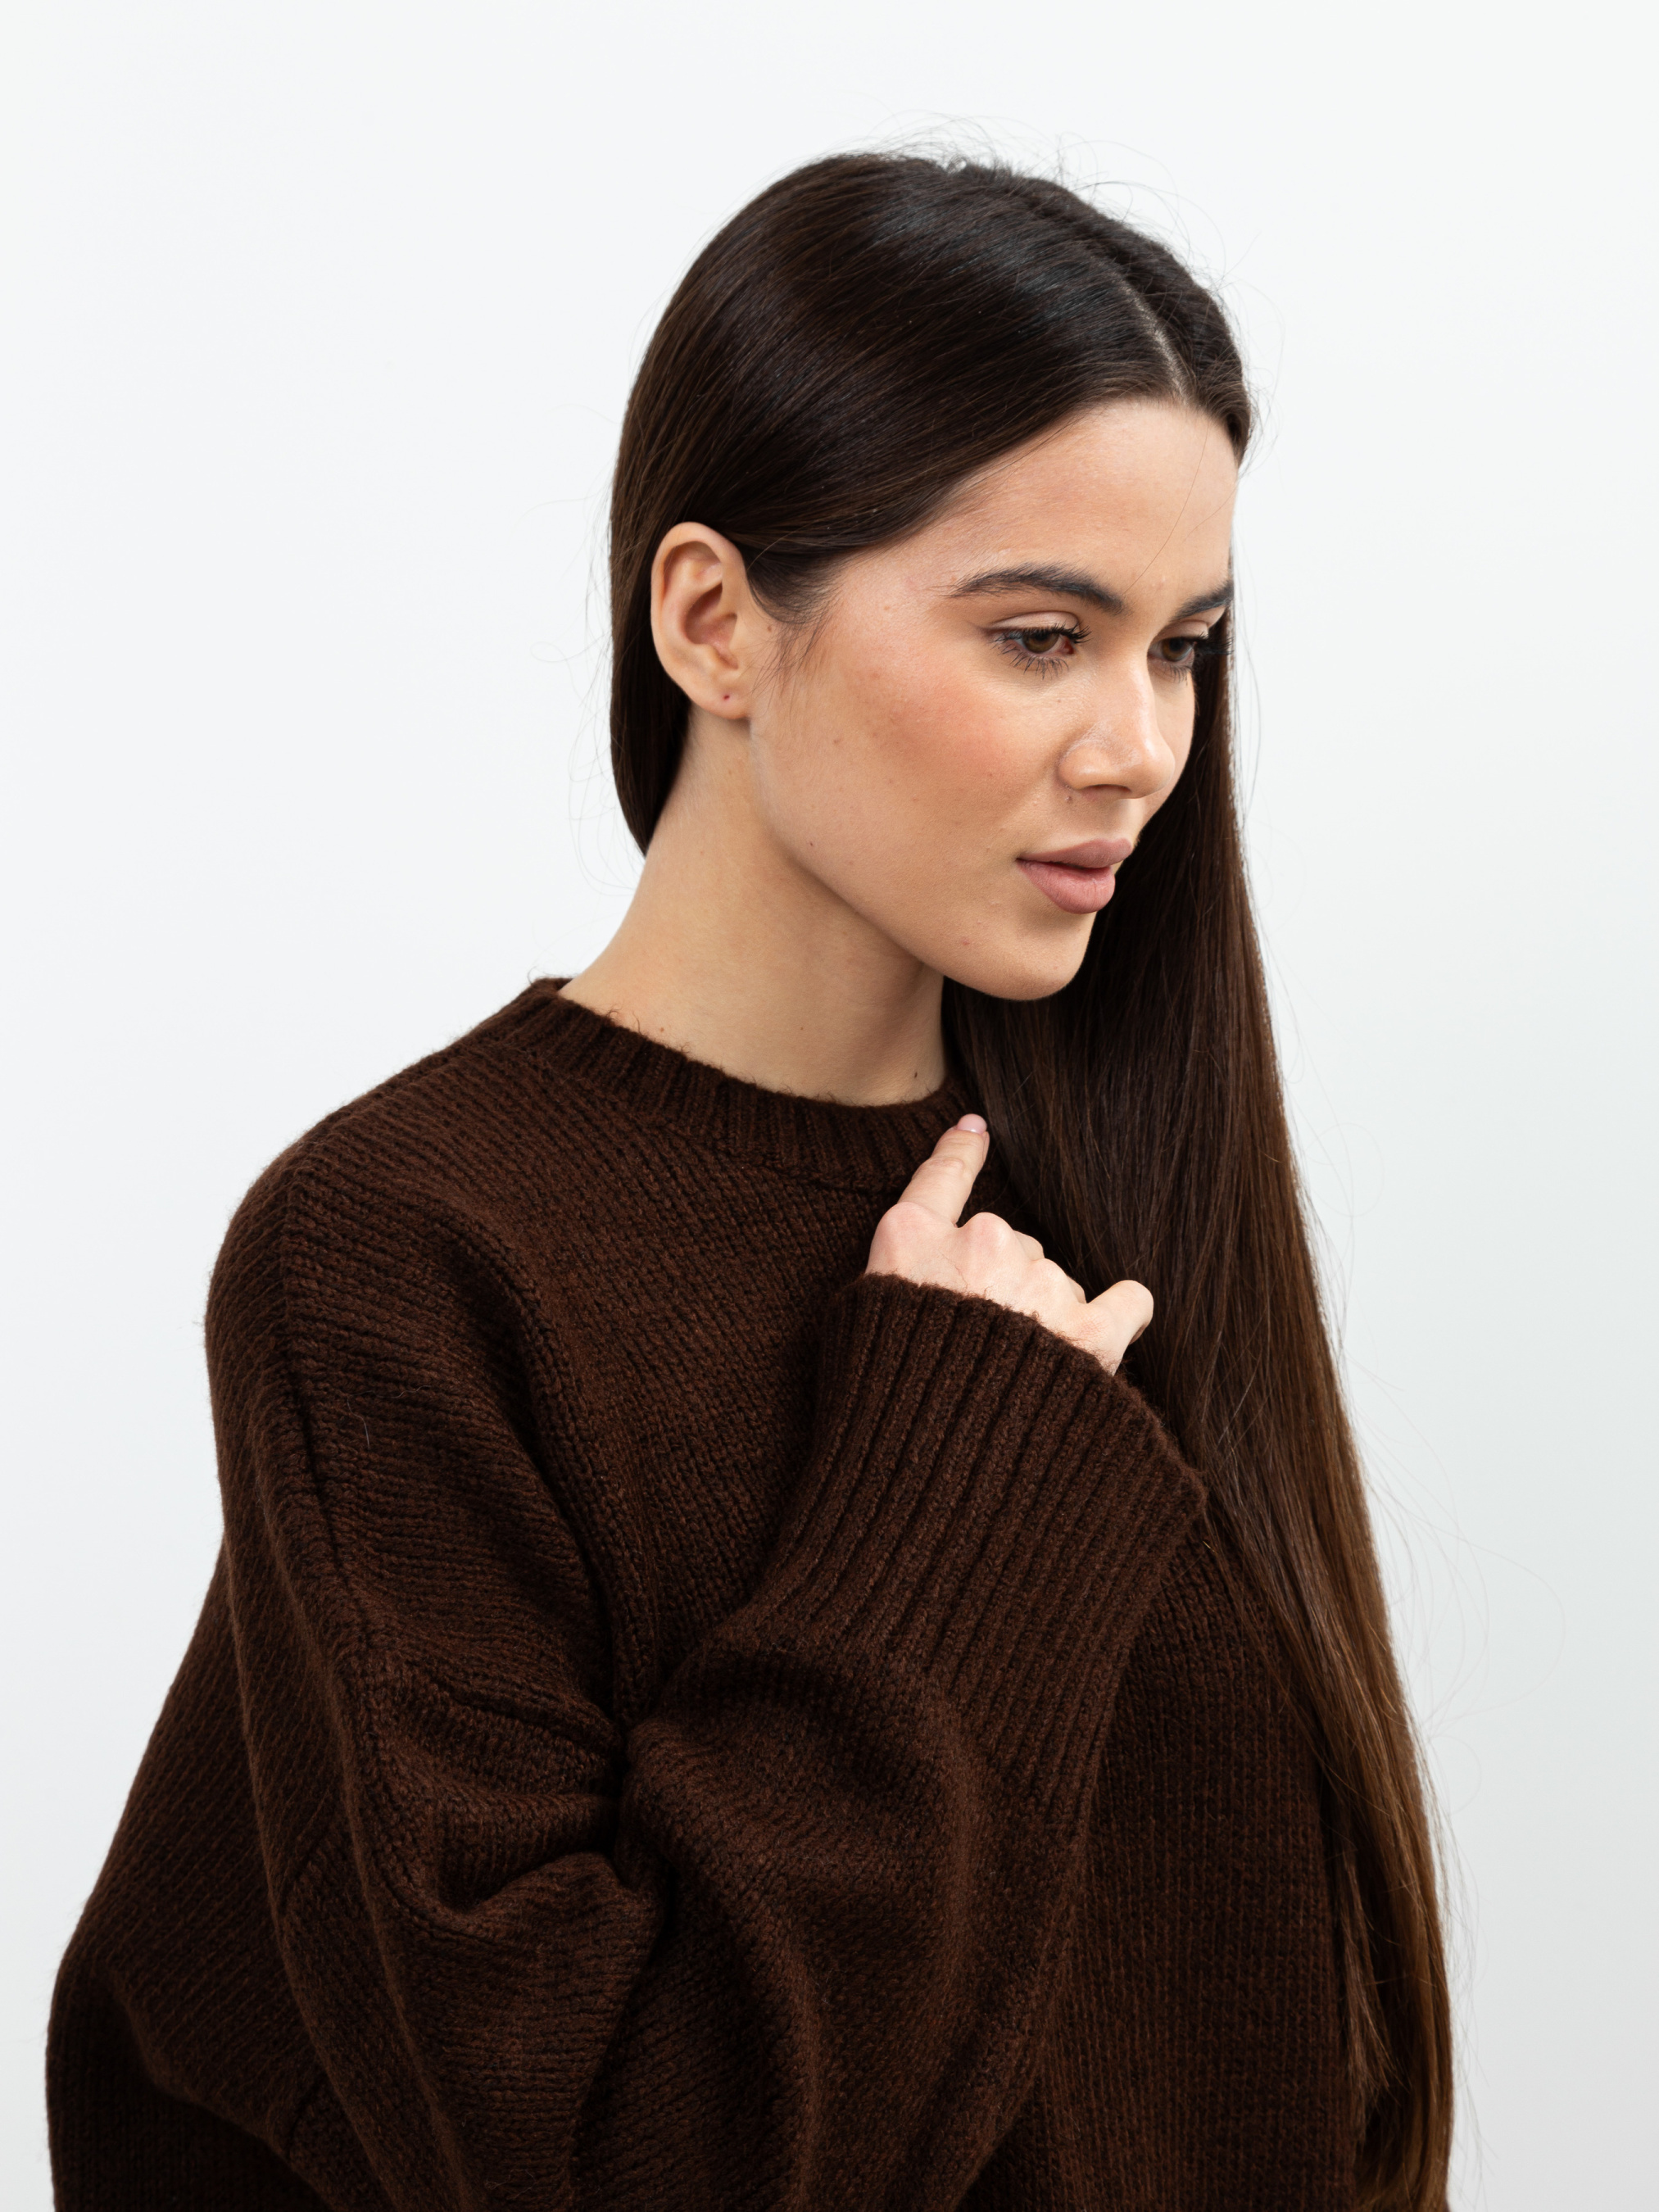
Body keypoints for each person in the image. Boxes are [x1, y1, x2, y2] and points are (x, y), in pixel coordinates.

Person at [47, 152, 1453, 2210]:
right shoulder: (408, 1252)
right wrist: (955, 1485)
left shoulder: (1118, 1188)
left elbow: (1272, 2061)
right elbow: (601, 2158)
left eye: (1180, 648)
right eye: (1038, 636)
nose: (1139, 745)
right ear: (712, 620)